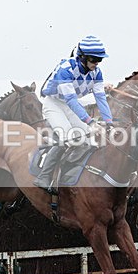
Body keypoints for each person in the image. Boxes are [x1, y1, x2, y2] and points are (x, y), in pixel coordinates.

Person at [34, 35, 113, 191]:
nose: (97, 63)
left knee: (90, 142)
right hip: (54, 104)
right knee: (70, 138)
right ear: (82, 57)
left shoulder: (97, 73)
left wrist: (109, 122)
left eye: (100, 60)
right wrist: (91, 122)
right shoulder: (65, 69)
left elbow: (101, 98)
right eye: (94, 59)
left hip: (71, 106)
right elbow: (70, 100)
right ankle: (44, 176)